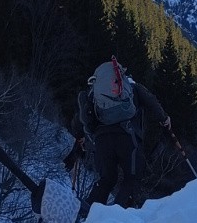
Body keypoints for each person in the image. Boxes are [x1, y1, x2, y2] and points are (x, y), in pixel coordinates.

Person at [65, 57, 171, 209]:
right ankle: (117, 216)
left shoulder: (95, 93)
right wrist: (165, 118)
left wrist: (80, 136)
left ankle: (88, 214)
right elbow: (151, 101)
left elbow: (81, 118)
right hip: (127, 137)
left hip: (101, 141)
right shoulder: (133, 88)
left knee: (107, 179)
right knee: (131, 178)